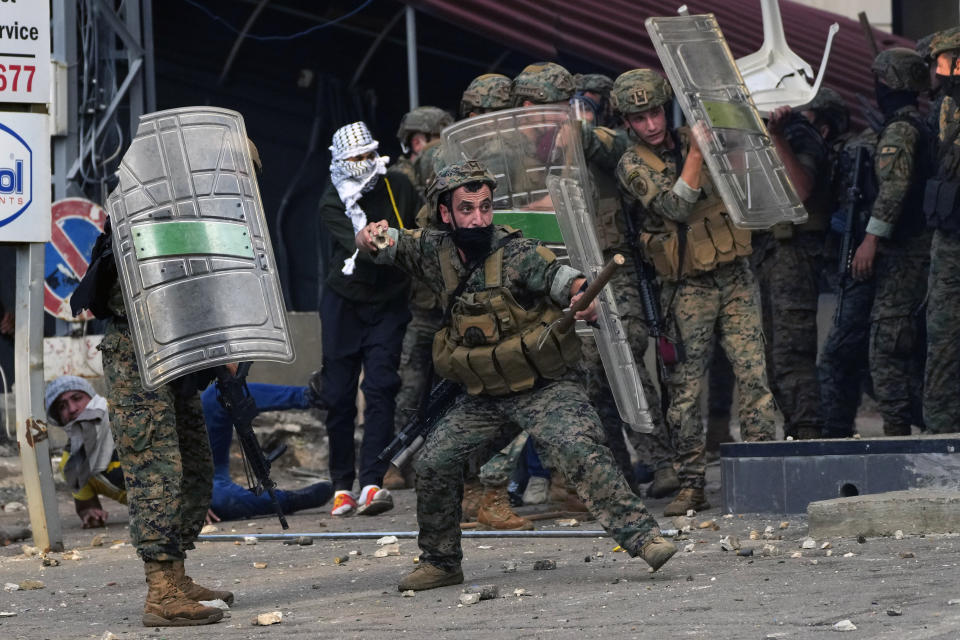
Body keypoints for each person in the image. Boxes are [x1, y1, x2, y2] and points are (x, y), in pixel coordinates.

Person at [355, 161, 678, 590]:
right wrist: (368, 237)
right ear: (445, 213)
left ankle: (644, 538)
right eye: (466, 209)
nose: (478, 218)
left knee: (579, 447)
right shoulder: (431, 250)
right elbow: (385, 241)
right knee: (433, 462)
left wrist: (584, 296)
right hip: (483, 392)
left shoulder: (516, 252)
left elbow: (563, 279)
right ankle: (441, 561)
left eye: (485, 207)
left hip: (543, 385)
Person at [613, 69, 780, 516]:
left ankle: (765, 473)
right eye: (639, 117)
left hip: (734, 273)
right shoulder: (632, 164)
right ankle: (691, 483)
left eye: (654, 112)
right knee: (685, 389)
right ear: (626, 123)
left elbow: (750, 172)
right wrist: (697, 151)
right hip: (686, 287)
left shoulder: (694, 134)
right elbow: (675, 206)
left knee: (754, 376)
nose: (650, 124)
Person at [316, 121, 419, 516]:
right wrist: (371, 237)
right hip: (344, 303)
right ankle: (342, 485)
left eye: (367, 156)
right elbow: (359, 241)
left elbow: (416, 228)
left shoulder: (398, 185)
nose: (362, 164)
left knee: (381, 389)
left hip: (389, 301)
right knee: (339, 395)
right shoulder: (332, 200)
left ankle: (373, 481)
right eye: (354, 159)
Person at [849, 48, 933, 436]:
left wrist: (870, 239)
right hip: (921, 251)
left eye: (880, 80)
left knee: (887, 345)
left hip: (906, 252)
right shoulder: (927, 121)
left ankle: (898, 434)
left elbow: (895, 188)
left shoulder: (901, 129)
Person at [754, 101, 834, 441]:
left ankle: (808, 433)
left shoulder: (799, 133)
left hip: (795, 253)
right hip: (768, 254)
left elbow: (798, 191)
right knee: (774, 356)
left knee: (793, 353)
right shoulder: (751, 135)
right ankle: (797, 430)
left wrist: (777, 137)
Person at [200, 383, 333, 521]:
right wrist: (189, 501)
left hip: (202, 458)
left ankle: (311, 395)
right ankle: (288, 500)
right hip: (190, 485)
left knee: (217, 394)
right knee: (221, 500)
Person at [922, 27, 960, 434]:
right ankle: (941, 434)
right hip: (950, 239)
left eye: (941, 61)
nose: (935, 71)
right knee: (943, 337)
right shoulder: (943, 108)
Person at [45, 375, 125, 528]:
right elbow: (87, 505)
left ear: (92, 396)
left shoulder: (126, 416)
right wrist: (89, 512)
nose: (73, 409)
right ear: (59, 419)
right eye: (62, 407)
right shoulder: (73, 464)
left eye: (77, 398)